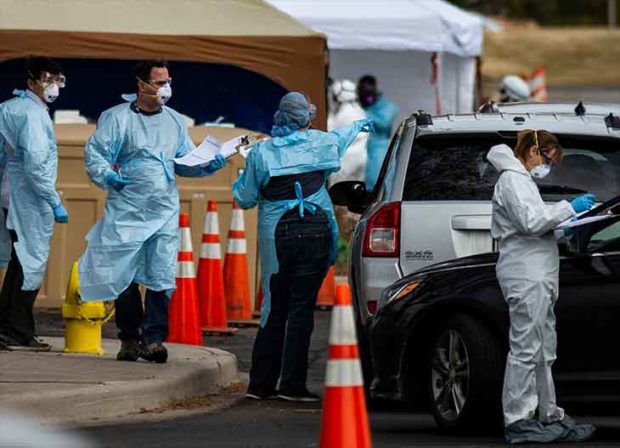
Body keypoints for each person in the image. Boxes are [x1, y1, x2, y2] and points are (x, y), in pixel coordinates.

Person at [78, 60, 226, 364]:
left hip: (163, 208)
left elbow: (184, 160)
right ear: (140, 84)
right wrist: (107, 175)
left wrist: (209, 163)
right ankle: (129, 338)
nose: (165, 88)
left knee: (161, 273)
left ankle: (154, 339)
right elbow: (96, 155)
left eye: (168, 81)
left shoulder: (173, 120)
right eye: (159, 82)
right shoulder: (117, 119)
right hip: (127, 207)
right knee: (125, 273)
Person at [234, 92, 372, 401]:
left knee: (273, 306)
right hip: (317, 230)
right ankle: (293, 385)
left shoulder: (262, 153)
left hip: (277, 234)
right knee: (301, 309)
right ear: (308, 118)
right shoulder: (323, 143)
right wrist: (362, 124)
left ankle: (260, 384)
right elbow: (343, 135)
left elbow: (244, 198)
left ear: (279, 117)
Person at [488, 130, 596, 444]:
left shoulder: (523, 182)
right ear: (534, 151)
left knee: (543, 349)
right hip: (525, 274)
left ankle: (549, 415)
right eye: (548, 160)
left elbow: (536, 228)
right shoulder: (512, 180)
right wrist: (569, 208)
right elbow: (531, 222)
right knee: (525, 349)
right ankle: (519, 420)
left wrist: (570, 225)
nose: (549, 167)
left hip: (539, 272)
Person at [0, 57, 69, 351]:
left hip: (10, 192)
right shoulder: (32, 115)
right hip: (28, 197)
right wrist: (54, 201)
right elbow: (37, 165)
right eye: (46, 79)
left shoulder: (10, 107)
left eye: (57, 79)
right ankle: (17, 329)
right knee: (30, 263)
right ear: (30, 82)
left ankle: (11, 327)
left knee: (19, 263)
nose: (53, 86)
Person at [327, 79, 368, 243]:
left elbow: (329, 131)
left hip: (346, 162)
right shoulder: (359, 110)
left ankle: (347, 239)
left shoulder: (342, 114)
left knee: (341, 204)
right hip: (361, 159)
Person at [356, 75, 398, 191]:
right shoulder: (357, 105)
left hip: (379, 149)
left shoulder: (386, 106)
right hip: (360, 148)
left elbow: (383, 123)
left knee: (377, 183)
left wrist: (365, 112)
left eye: (368, 92)